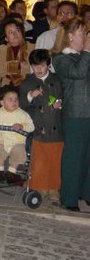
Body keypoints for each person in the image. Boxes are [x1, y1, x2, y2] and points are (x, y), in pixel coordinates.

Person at [52, 19, 90, 211]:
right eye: (82, 33)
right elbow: (78, 72)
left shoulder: (84, 56)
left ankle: (87, 193)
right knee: (74, 157)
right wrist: (88, 52)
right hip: (75, 113)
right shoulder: (61, 59)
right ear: (70, 36)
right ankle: (69, 198)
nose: (85, 36)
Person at [19, 50, 63, 201]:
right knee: (39, 161)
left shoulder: (57, 80)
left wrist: (60, 104)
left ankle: (54, 188)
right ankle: (40, 186)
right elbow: (22, 105)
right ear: (31, 66)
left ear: (48, 65)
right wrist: (30, 95)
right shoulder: (28, 82)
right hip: (38, 127)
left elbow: (63, 97)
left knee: (56, 160)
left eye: (42, 65)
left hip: (56, 127)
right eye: (35, 66)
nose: (39, 69)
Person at [0, 85, 34, 183]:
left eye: (16, 99)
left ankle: (11, 172)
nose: (14, 102)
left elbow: (31, 126)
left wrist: (22, 126)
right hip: (1, 140)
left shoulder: (23, 114)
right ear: (2, 102)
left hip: (17, 142)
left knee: (19, 151)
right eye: (10, 100)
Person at [0, 18, 34, 96]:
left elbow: (34, 68)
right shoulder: (2, 49)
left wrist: (10, 67)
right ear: (6, 38)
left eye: (17, 30)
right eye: (11, 32)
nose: (15, 34)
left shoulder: (32, 47)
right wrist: (17, 65)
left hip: (28, 88)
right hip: (6, 88)